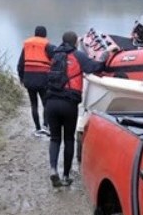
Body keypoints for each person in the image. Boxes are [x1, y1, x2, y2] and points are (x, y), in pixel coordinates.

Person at [45, 31, 114, 187]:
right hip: (68, 104)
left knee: (55, 138)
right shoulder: (78, 55)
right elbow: (94, 67)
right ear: (76, 42)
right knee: (69, 139)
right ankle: (66, 176)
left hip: (51, 103)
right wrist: (106, 54)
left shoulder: (54, 54)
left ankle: (53, 169)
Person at [17, 26, 56, 137]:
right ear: (45, 35)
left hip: (29, 79)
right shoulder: (47, 45)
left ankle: (37, 128)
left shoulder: (27, 45)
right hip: (43, 79)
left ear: (35, 34)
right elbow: (56, 60)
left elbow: (20, 65)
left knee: (34, 104)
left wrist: (21, 78)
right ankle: (45, 126)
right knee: (46, 104)